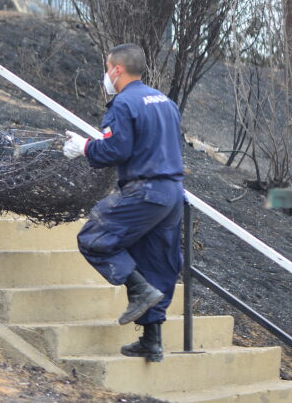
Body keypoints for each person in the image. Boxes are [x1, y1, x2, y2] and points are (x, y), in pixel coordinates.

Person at [63, 43, 185, 363]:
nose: (105, 74)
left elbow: (115, 150)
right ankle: (152, 341)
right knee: (156, 261)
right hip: (172, 195)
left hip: (143, 190)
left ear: (117, 69)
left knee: (94, 237)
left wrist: (85, 147)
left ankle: (140, 291)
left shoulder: (124, 103)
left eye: (107, 68)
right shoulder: (165, 102)